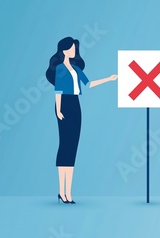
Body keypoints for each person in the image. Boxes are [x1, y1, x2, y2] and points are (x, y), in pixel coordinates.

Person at [45, 37, 117, 204]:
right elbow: (58, 91)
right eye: (71, 48)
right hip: (64, 104)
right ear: (64, 50)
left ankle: (68, 193)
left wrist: (109, 78)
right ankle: (61, 192)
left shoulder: (76, 69)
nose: (74, 50)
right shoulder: (61, 69)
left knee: (72, 147)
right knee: (64, 145)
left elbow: (89, 84)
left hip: (76, 105)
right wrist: (58, 109)